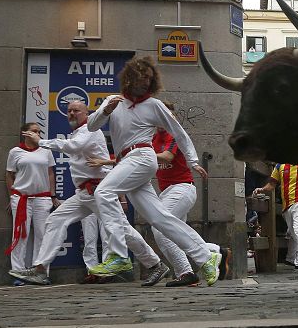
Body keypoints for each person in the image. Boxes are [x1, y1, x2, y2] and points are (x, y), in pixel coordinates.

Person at [87, 56, 221, 285]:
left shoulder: (154, 105)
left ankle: (118, 255)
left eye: (150, 79)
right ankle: (206, 256)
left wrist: (193, 160)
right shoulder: (113, 100)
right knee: (160, 218)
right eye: (142, 77)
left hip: (141, 156)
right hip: (126, 161)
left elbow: (179, 132)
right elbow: (91, 125)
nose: (146, 82)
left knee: (103, 192)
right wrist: (105, 111)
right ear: (130, 78)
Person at [10, 100, 166, 286]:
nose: (72, 113)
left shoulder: (90, 130)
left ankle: (155, 264)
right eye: (69, 111)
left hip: (97, 191)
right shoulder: (79, 132)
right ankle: (40, 270)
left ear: (86, 113)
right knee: (56, 219)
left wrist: (40, 142)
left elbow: (74, 146)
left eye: (76, 110)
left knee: (123, 229)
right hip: (84, 193)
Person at [150, 101, 227, 287]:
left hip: (182, 189)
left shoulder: (174, 135)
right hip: (167, 192)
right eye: (159, 115)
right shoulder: (152, 140)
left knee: (160, 229)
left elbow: (168, 157)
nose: (162, 119)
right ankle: (216, 251)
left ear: (173, 118)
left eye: (166, 115)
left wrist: (140, 154)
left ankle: (185, 272)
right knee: (178, 233)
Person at [5, 122, 58, 285]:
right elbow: (9, 175)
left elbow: (50, 173)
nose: (37, 134)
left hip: (42, 199)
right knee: (20, 234)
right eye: (34, 131)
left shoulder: (46, 151)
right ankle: (18, 273)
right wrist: (11, 196)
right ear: (24, 133)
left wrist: (52, 195)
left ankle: (40, 272)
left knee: (43, 235)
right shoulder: (15, 152)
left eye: (39, 131)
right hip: (21, 198)